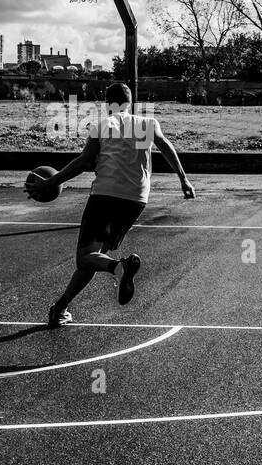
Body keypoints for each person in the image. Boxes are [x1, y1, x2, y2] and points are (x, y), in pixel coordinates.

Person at [25, 83, 195, 327]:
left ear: (107, 104)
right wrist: (183, 179)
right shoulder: (146, 124)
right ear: (131, 102)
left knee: (85, 258)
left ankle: (118, 267)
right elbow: (165, 147)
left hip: (105, 195)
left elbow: (84, 161)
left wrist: (49, 182)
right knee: (95, 256)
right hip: (136, 199)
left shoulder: (102, 125)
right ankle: (61, 307)